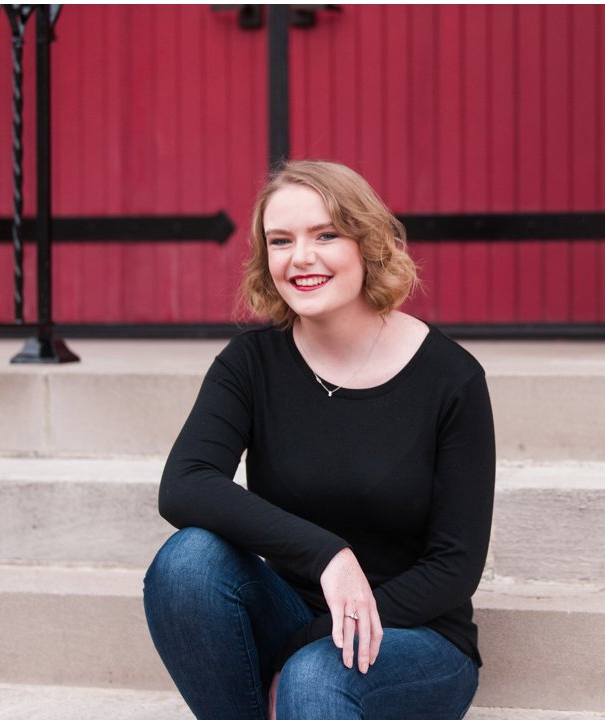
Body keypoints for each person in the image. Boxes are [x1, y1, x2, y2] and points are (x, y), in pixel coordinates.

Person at [143, 160, 496, 720]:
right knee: (188, 563)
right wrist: (328, 554)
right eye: (280, 241)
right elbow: (185, 484)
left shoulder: (450, 379)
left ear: (367, 243)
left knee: (316, 674)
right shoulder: (251, 364)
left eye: (325, 235)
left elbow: (454, 568)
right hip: (293, 607)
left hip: (415, 636)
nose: (300, 257)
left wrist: (311, 640)